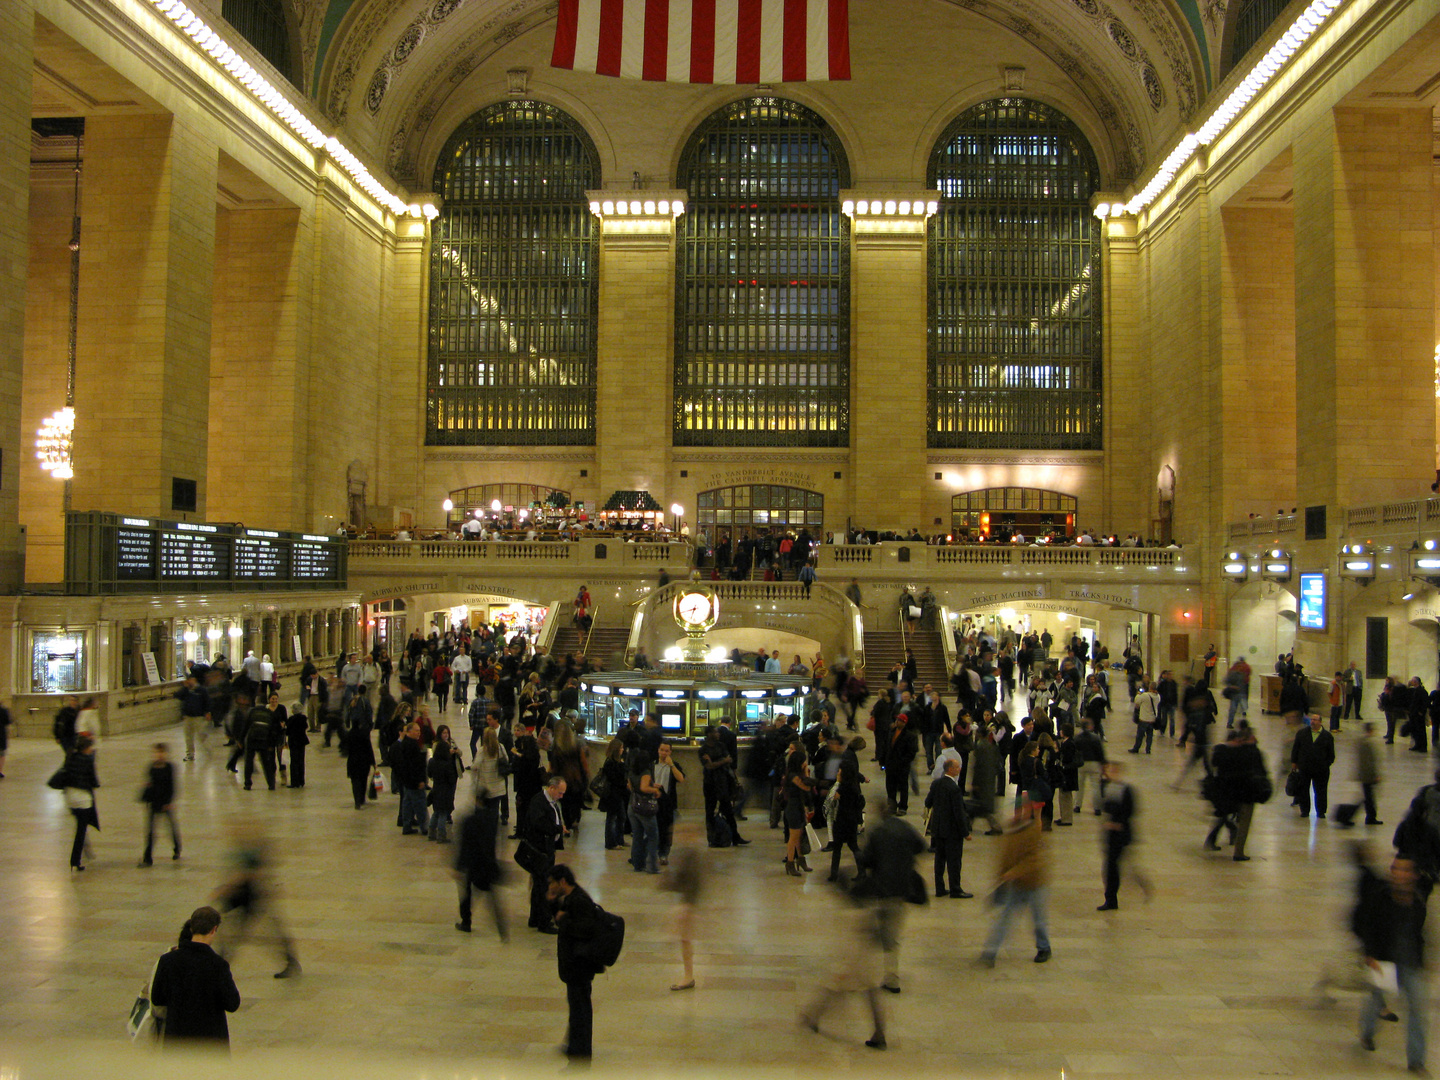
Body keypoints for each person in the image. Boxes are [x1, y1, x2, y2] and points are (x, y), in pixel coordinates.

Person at [1354, 854, 1428, 1072]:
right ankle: (1367, 1033)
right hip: (1384, 961)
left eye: (1404, 870)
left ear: (1414, 875)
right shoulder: (1380, 896)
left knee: (1417, 1010)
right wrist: (1369, 954)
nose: (1398, 873)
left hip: (1409, 962)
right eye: (1395, 868)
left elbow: (1419, 932)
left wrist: (1424, 958)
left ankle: (1416, 1060)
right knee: (1376, 1001)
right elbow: (1367, 926)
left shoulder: (1419, 900)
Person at [855, 797, 924, 993]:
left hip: (880, 890)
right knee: (892, 937)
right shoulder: (905, 827)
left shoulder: (877, 832)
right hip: (901, 890)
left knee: (868, 934)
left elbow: (866, 860)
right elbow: (920, 846)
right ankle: (892, 979)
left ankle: (857, 975)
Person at [149, 906, 240, 1048]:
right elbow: (232, 1004)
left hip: (177, 1042)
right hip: (210, 1044)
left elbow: (157, 998)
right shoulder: (218, 965)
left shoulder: (167, 960)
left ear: (192, 928)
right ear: (213, 929)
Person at [980, 799, 1051, 966]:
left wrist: (1013, 872)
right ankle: (990, 952)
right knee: (1004, 918)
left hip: (1035, 883)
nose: (1019, 813)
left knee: (1038, 919)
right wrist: (1001, 877)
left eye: (1023, 810)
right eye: (1017, 810)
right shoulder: (1012, 829)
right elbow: (1006, 856)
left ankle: (1044, 947)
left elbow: (1034, 859)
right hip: (1017, 884)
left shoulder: (1035, 829)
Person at [547, 864, 601, 1060]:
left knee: (580, 1008)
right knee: (577, 1006)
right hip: (574, 965)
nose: (550, 887)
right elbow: (560, 919)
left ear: (562, 881)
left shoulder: (579, 900)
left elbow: (585, 930)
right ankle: (574, 1046)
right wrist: (554, 904)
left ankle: (580, 1051)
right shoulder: (570, 898)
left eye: (552, 883)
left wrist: (564, 920)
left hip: (580, 965)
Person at [1206, 722, 1267, 860]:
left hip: (1231, 791)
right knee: (1244, 823)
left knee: (1225, 816)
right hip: (1247, 793)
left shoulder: (1230, 750)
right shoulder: (1253, 752)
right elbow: (1261, 771)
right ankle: (1238, 852)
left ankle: (1215, 839)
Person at [454, 799, 507, 940]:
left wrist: (459, 867)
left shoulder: (469, 820)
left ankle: (466, 922)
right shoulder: (492, 821)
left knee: (466, 895)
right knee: (492, 898)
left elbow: (464, 846)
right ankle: (501, 928)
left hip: (472, 865)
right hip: (487, 864)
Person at [523, 775, 567, 933]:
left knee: (539, 885)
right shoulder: (539, 802)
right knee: (544, 886)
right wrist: (557, 829)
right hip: (539, 851)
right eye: (560, 793)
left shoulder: (550, 802)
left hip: (547, 849)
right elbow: (539, 824)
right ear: (552, 788)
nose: (561, 796)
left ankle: (534, 918)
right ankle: (543, 921)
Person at [661, 824, 703, 990]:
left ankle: (688, 976)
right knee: (684, 939)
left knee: (684, 938)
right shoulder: (685, 853)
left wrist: (688, 904)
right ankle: (688, 976)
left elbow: (694, 881)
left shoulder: (692, 855)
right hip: (686, 901)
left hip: (688, 902)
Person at [925, 757, 972, 897]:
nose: (959, 769)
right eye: (957, 767)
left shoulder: (936, 784)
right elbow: (959, 813)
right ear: (950, 769)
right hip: (952, 832)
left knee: (939, 860)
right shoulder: (954, 789)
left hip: (938, 829)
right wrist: (965, 833)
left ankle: (940, 889)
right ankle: (955, 889)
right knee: (954, 861)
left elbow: (928, 802)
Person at [58, 733, 99, 871]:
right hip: (83, 800)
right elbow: (94, 781)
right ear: (86, 748)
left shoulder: (70, 757)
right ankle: (75, 860)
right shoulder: (87, 760)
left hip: (70, 799)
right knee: (81, 830)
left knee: (81, 825)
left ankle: (86, 850)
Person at [139, 743, 180, 867]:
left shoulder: (169, 767)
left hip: (165, 802)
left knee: (171, 828)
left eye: (161, 752)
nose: (159, 755)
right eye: (157, 752)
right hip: (154, 802)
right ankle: (147, 857)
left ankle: (176, 848)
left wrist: (169, 802)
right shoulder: (151, 767)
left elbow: (172, 786)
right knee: (150, 831)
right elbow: (149, 784)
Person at [1291, 712, 1336, 819]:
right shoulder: (1302, 733)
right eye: (1311, 719)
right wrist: (1294, 762)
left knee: (1321, 791)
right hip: (1305, 768)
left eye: (1315, 720)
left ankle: (1321, 812)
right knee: (1304, 790)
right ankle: (1305, 810)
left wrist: (1326, 764)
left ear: (1320, 722)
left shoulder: (1327, 736)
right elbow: (1295, 749)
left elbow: (1331, 754)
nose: (1312, 721)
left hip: (1321, 769)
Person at [627, 748, 661, 874]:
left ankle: (637, 864)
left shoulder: (631, 772)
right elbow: (644, 787)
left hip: (632, 805)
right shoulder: (646, 772)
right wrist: (655, 790)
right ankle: (652, 866)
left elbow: (630, 787)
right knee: (653, 836)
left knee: (637, 836)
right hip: (644, 808)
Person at [782, 750, 816, 876]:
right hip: (793, 808)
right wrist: (806, 771)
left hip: (799, 807)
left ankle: (800, 860)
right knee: (793, 837)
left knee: (798, 836)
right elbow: (806, 787)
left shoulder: (796, 774)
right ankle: (790, 863)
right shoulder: (793, 776)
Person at [392, 720, 429, 833]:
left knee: (407, 803)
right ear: (409, 731)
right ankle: (425, 828)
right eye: (416, 731)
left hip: (406, 780)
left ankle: (406, 826)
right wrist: (420, 780)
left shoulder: (404, 743)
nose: (419, 733)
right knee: (420, 804)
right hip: (414, 781)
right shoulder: (411, 745)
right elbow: (414, 765)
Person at [345, 704, 376, 809]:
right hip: (364, 761)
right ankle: (362, 798)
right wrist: (373, 762)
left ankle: (356, 801)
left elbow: (346, 749)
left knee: (355, 781)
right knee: (363, 780)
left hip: (353, 761)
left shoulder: (349, 735)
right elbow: (369, 748)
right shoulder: (364, 734)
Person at [1129, 677, 1159, 754]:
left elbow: (1137, 701)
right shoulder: (1158, 696)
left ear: (1150, 687)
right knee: (1150, 736)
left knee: (1140, 735)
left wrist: (1139, 693)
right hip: (1152, 719)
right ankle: (1148, 749)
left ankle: (1136, 748)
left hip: (1144, 719)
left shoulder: (1145, 695)